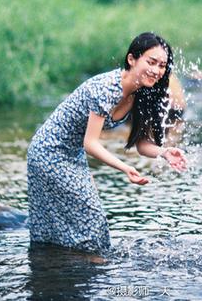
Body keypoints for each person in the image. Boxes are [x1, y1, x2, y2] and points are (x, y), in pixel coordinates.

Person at [26, 32, 188, 253]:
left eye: (162, 65)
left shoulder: (143, 94)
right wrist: (125, 168)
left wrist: (164, 152)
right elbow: (90, 143)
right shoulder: (107, 88)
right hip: (48, 151)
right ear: (132, 59)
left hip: (71, 153)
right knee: (91, 218)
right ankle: (89, 271)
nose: (157, 70)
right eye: (151, 62)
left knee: (76, 221)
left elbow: (142, 145)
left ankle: (63, 268)